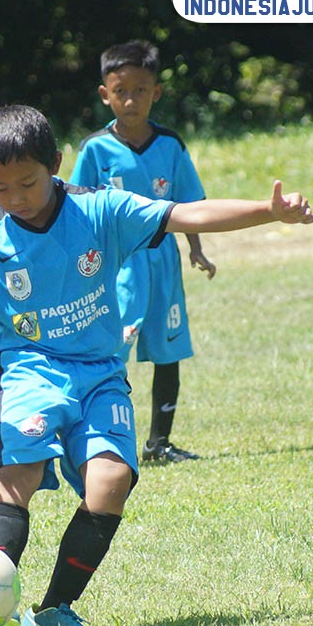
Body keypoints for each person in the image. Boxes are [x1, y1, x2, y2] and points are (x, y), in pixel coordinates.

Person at [0, 105, 313, 626]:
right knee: (17, 478)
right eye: (1, 188)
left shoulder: (100, 211)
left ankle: (53, 612)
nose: (16, 198)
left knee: (111, 481)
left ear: (56, 163)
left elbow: (186, 214)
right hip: (29, 369)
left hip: (100, 371)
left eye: (28, 183)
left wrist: (268, 211)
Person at [70, 39, 214, 464]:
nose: (130, 100)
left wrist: (196, 249)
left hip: (163, 262)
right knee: (112, 349)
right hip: (117, 266)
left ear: (157, 92)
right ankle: (95, 441)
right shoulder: (95, 149)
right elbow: (76, 206)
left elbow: (190, 205)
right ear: (105, 94)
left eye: (140, 90)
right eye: (120, 91)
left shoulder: (170, 145)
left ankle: (159, 443)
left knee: (168, 349)